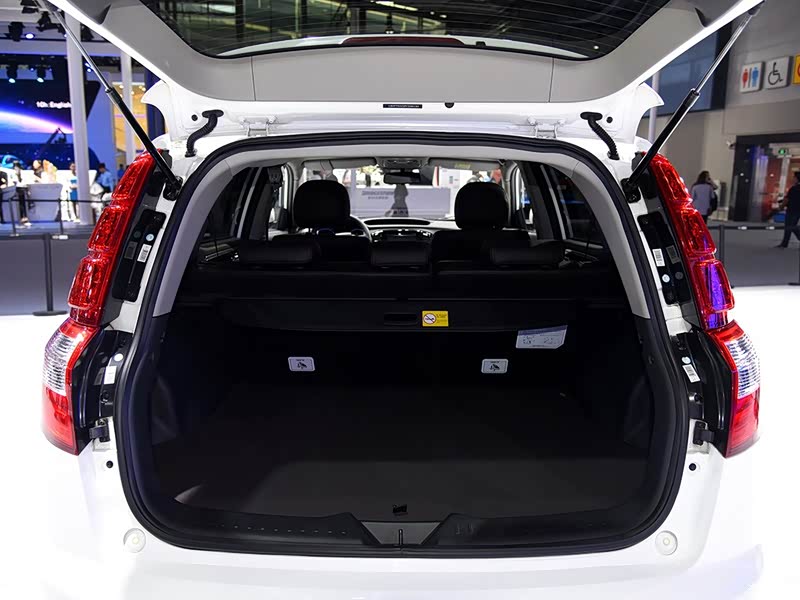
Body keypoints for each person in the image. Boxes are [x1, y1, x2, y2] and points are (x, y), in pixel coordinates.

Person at [777, 171, 800, 248]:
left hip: (791, 210)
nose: (793, 179)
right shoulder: (794, 188)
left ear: (797, 179)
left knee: (790, 226)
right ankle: (784, 243)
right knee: (791, 226)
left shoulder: (793, 188)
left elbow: (787, 199)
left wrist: (781, 207)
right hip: (797, 211)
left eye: (794, 177)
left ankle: (784, 243)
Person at [11, 161, 30, 227]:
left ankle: (26, 218)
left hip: (24, 189)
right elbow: (14, 182)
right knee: (20, 205)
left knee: (25, 205)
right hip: (17, 190)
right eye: (15, 167)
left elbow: (26, 182)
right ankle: (21, 218)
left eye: (17, 167)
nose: (16, 168)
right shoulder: (13, 173)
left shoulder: (24, 173)